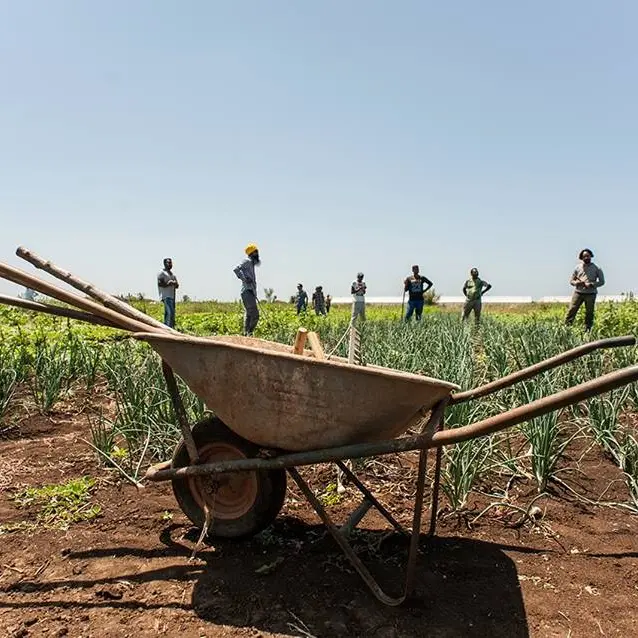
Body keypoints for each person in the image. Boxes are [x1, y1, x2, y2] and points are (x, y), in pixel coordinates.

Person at [565, 248, 605, 331]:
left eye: (588, 256)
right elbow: (571, 281)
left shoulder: (597, 268)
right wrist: (577, 283)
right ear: (581, 258)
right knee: (572, 310)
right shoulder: (577, 268)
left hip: (591, 294)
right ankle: (567, 328)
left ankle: (587, 330)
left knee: (589, 313)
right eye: (584, 256)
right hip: (578, 293)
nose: (586, 258)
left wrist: (591, 284)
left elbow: (602, 282)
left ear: (591, 256)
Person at [233, 244, 261, 335]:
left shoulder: (251, 264)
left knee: (249, 314)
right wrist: (244, 278)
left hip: (250, 292)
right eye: (255, 252)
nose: (257, 254)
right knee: (255, 315)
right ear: (251, 253)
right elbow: (236, 269)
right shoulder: (247, 261)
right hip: (247, 292)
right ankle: (249, 332)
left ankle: (246, 335)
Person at [157, 257, 179, 328]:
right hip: (166, 296)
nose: (170, 264)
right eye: (168, 263)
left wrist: (175, 283)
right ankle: (168, 328)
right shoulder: (162, 273)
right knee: (170, 312)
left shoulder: (172, 274)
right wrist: (168, 283)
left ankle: (168, 327)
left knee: (170, 313)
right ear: (164, 264)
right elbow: (160, 283)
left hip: (172, 296)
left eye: (171, 263)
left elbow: (177, 286)